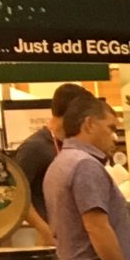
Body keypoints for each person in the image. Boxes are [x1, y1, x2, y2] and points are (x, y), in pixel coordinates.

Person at [46, 93, 130, 260]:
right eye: (110, 128)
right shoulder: (85, 165)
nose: (114, 137)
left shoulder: (60, 162)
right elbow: (97, 228)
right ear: (89, 124)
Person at [12, 81, 91, 246]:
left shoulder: (73, 144)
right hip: (50, 238)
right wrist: (45, 231)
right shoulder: (35, 147)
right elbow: (17, 195)